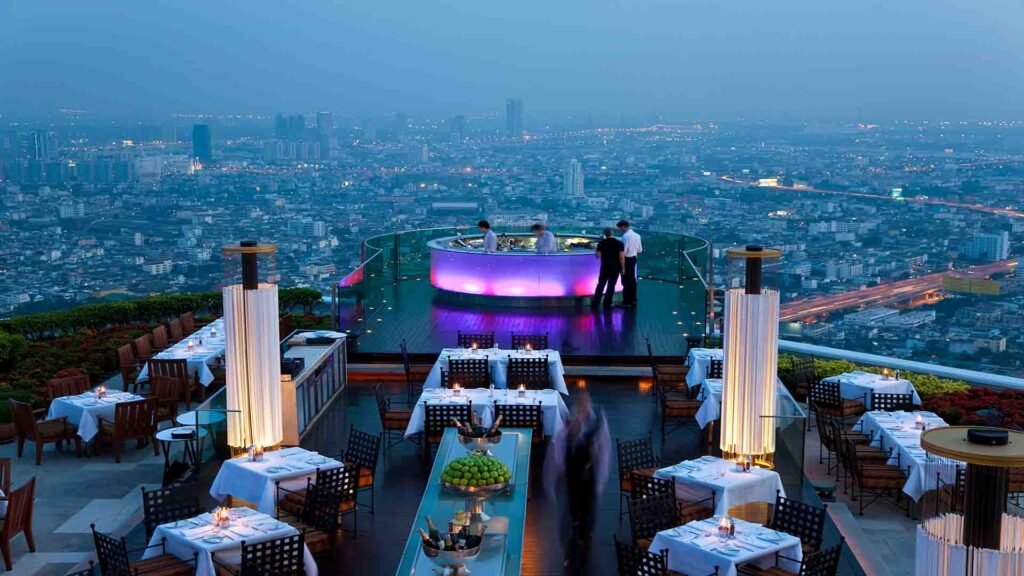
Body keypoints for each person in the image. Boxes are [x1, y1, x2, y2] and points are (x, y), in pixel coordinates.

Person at [545, 391, 610, 574]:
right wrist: (557, 472)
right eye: (579, 403)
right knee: (571, 510)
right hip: (571, 475)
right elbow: (558, 446)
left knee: (588, 509)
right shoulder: (567, 420)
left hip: (589, 476)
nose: (581, 407)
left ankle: (584, 538)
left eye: (584, 403)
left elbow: (603, 450)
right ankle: (571, 545)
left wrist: (600, 478)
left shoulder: (597, 422)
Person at [592, 227, 624, 310]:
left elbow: (597, 256)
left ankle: (595, 303)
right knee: (611, 285)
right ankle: (607, 304)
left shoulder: (601, 243)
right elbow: (621, 257)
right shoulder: (619, 243)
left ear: (604, 234)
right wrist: (623, 268)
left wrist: (597, 250)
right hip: (615, 267)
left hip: (605, 267)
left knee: (601, 285)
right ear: (612, 233)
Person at [617, 219, 643, 306]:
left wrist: (622, 265)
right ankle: (633, 299)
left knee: (625, 281)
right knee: (632, 280)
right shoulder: (637, 236)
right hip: (634, 259)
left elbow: (623, 252)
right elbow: (640, 250)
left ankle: (626, 301)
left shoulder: (625, 237)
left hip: (626, 260)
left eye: (620, 228)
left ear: (623, 227)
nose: (620, 230)